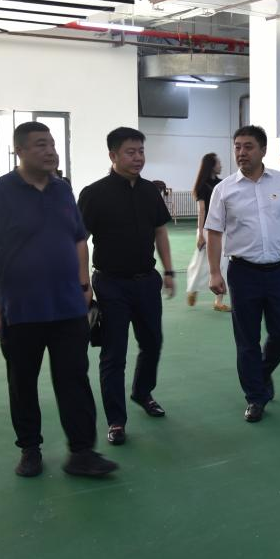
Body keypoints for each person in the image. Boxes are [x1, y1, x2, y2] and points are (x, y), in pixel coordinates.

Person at [0, 121, 117, 478]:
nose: (50, 151)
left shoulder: (62, 190)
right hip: (20, 310)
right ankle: (30, 449)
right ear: (19, 150)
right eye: (40, 145)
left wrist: (84, 285)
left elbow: (79, 238)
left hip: (68, 307)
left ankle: (81, 452)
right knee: (22, 382)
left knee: (74, 380)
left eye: (52, 144)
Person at [206, 125, 280, 423]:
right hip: (243, 273)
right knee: (247, 340)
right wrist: (214, 273)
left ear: (263, 150)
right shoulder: (224, 189)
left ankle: (262, 373)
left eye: (248, 146)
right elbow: (213, 232)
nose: (241, 152)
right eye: (237, 146)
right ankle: (255, 397)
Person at [77, 127, 176, 446]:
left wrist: (169, 270)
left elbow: (160, 232)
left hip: (146, 281)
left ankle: (142, 392)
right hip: (110, 284)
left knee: (152, 342)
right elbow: (80, 240)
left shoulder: (150, 191)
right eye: (130, 152)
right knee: (113, 353)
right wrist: (83, 285)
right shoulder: (94, 194)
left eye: (141, 151)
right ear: (113, 155)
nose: (138, 158)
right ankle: (116, 420)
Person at [184, 152, 230, 311]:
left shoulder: (222, 184)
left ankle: (218, 300)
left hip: (221, 229)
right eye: (218, 163)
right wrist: (200, 235)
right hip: (207, 230)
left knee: (222, 263)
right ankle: (193, 289)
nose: (221, 165)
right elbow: (201, 210)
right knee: (201, 263)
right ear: (211, 166)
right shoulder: (202, 186)